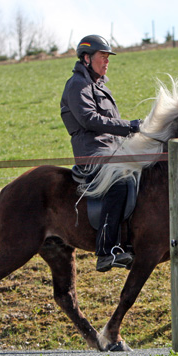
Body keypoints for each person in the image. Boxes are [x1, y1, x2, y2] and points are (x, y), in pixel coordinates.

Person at [60, 34, 140, 272]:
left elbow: (110, 125)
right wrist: (130, 126)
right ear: (86, 58)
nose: (106, 62)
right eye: (102, 57)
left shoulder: (99, 86)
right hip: (92, 155)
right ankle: (106, 251)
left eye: (108, 58)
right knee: (120, 182)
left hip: (112, 152)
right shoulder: (77, 85)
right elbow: (90, 119)